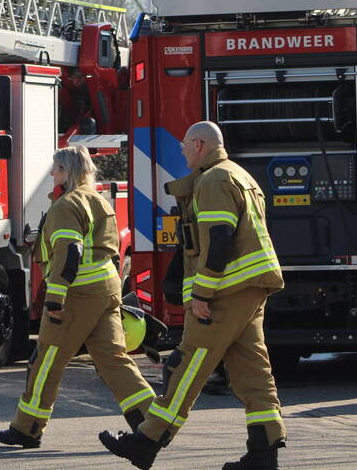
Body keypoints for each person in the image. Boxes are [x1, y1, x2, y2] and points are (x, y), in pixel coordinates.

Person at [99, 121, 286, 470]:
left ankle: (147, 440)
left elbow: (219, 239)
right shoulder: (239, 175)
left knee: (187, 365)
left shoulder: (213, 180)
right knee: (252, 370)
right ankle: (264, 452)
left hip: (225, 290)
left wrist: (202, 292)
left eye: (185, 144)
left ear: (200, 145)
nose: (181, 150)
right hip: (250, 287)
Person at [0, 146, 155, 448]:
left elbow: (70, 252)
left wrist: (55, 298)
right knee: (114, 360)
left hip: (76, 295)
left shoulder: (66, 204)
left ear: (66, 172)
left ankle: (27, 428)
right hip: (106, 290)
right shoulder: (98, 200)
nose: (52, 174)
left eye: (55, 168)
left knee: (46, 361)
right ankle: (152, 424)